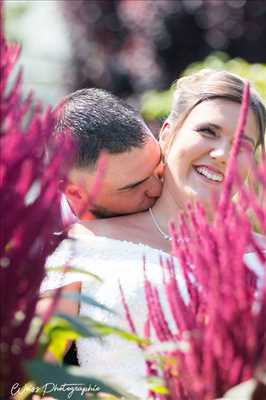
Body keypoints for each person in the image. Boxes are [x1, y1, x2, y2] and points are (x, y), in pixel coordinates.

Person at [41, 70, 266, 398]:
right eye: (208, 131)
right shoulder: (85, 246)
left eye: (242, 145)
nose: (222, 154)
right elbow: (29, 380)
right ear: (168, 132)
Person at [55, 88, 164, 221]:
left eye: (160, 164)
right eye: (134, 186)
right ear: (76, 194)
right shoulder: (45, 238)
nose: (158, 189)